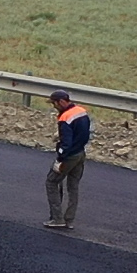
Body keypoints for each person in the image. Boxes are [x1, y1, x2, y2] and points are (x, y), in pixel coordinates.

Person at [45, 89, 90, 229]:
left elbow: (67, 143)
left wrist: (60, 159)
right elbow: (84, 133)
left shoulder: (65, 118)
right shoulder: (81, 111)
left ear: (62, 101)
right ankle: (69, 220)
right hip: (81, 154)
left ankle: (57, 219)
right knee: (73, 187)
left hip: (69, 156)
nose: (54, 106)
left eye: (55, 103)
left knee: (51, 182)